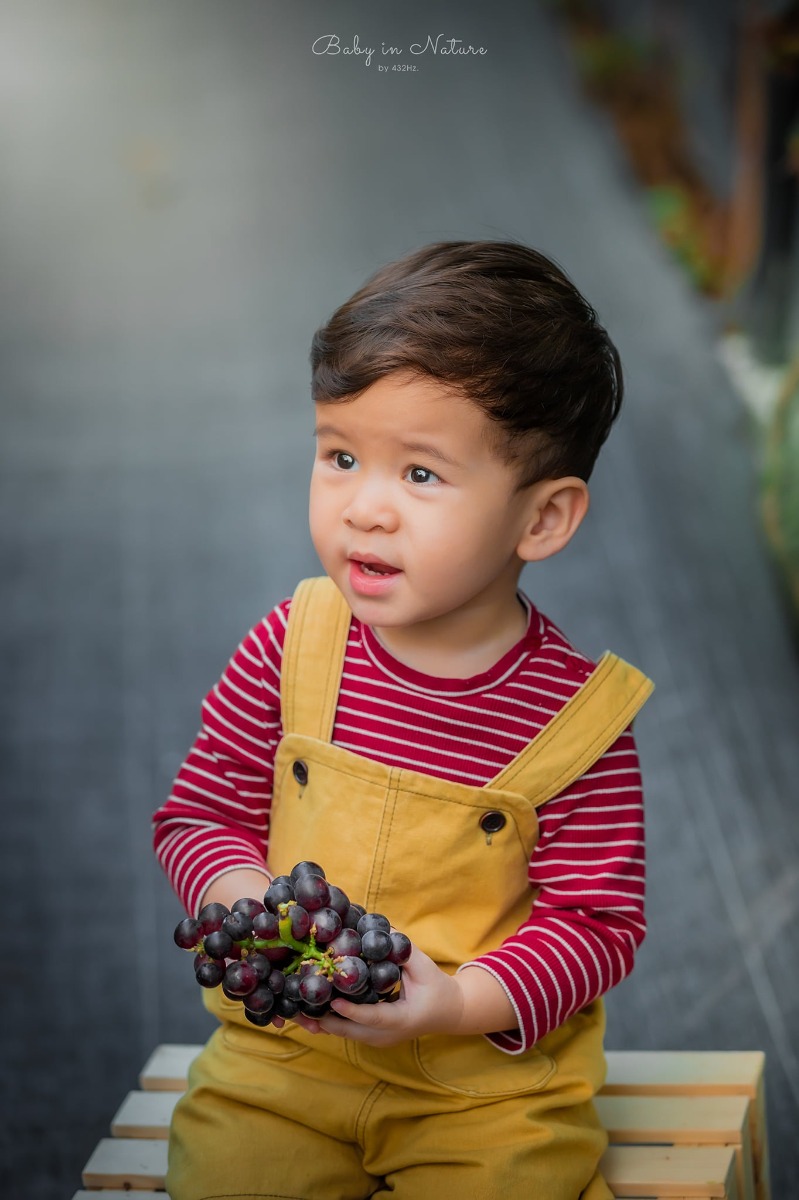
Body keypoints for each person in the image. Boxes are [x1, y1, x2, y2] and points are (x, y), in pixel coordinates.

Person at [153, 239, 654, 1200]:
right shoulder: (290, 646)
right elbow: (195, 816)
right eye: (340, 455)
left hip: (481, 1087)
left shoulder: (575, 721)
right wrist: (238, 898)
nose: (365, 510)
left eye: (420, 475)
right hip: (286, 1062)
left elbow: (595, 925)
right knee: (224, 1175)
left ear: (540, 520)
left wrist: (460, 999)